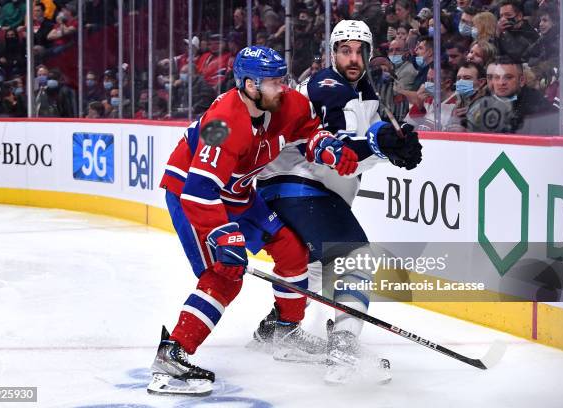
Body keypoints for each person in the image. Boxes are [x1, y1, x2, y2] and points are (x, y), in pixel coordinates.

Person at [149, 45, 360, 396]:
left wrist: (328, 149)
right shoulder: (223, 123)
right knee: (225, 274)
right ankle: (172, 356)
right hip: (191, 193)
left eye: (283, 78)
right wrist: (223, 234)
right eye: (274, 81)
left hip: (240, 192)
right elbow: (199, 191)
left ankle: (285, 332)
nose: (284, 87)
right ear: (249, 85)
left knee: (293, 251)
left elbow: (308, 131)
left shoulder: (286, 102)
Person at [251, 20, 422, 385]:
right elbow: (338, 147)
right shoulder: (328, 86)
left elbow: (359, 148)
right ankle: (343, 350)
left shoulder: (364, 93)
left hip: (290, 188)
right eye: (345, 50)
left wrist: (392, 147)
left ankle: (277, 328)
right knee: (356, 256)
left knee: (316, 268)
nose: (353, 58)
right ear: (332, 53)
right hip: (300, 184)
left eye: (360, 50)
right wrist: (380, 144)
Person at [466, 56, 558, 134]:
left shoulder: (540, 107)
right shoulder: (482, 103)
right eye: (497, 77)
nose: (501, 83)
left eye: (508, 77)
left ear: (521, 81)